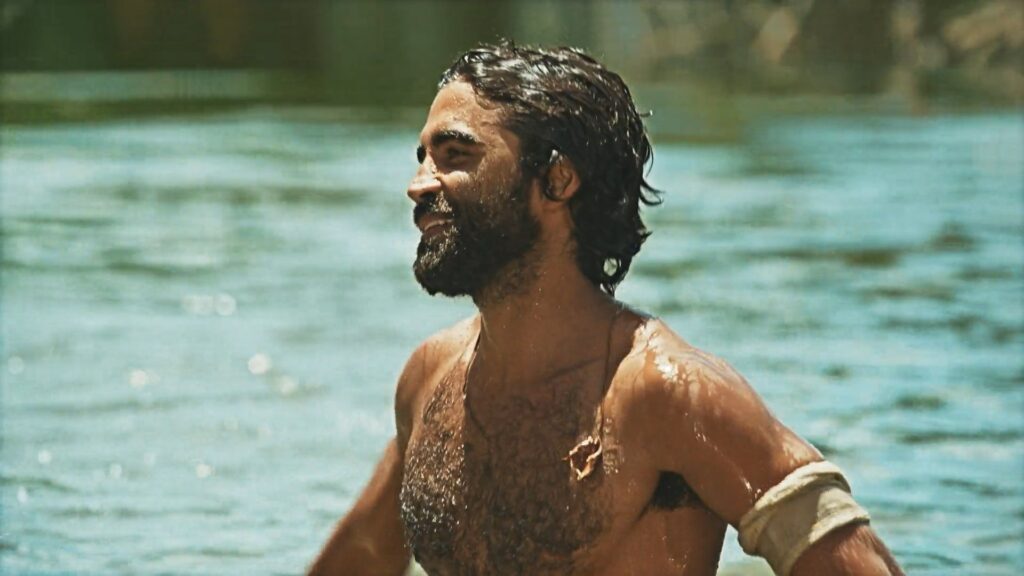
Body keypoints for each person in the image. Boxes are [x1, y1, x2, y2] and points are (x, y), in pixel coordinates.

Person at [308, 42, 904, 576]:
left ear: (557, 181)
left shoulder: (669, 397)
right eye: (422, 156)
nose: (419, 183)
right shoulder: (429, 379)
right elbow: (365, 555)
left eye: (455, 154)